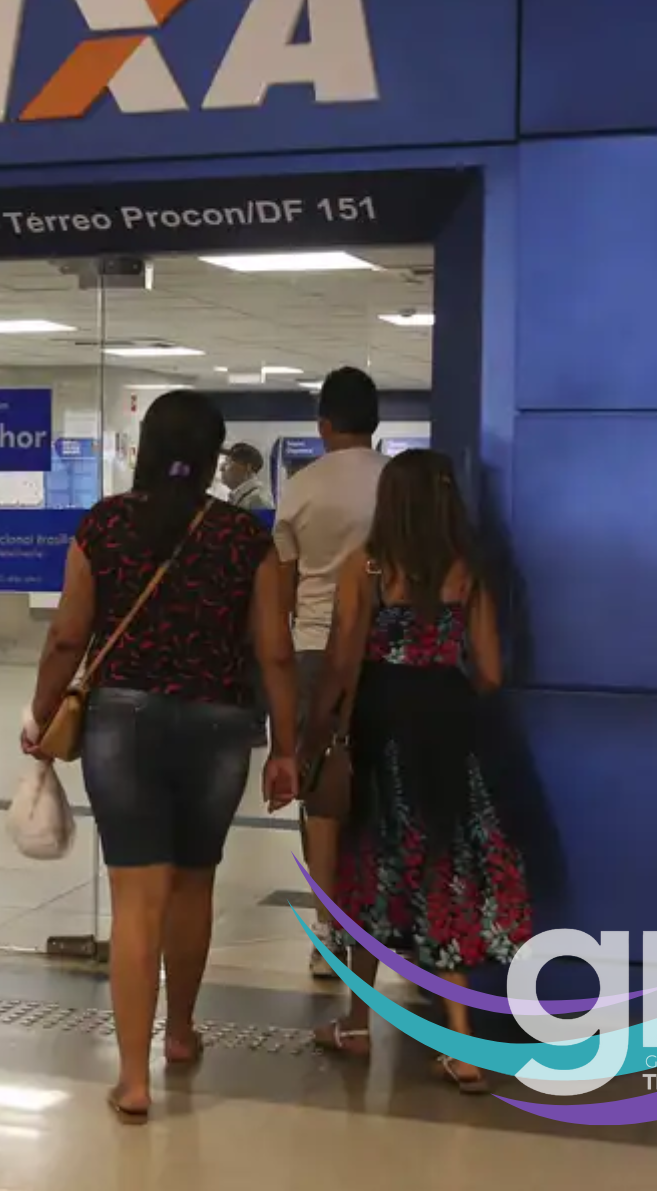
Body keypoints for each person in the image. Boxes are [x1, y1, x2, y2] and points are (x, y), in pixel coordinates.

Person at [24, 389, 300, 1124]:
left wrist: (42, 712)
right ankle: (179, 1033)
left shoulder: (105, 524)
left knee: (136, 899)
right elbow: (275, 651)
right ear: (214, 457)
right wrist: (286, 747)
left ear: (145, 447)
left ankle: (132, 1080)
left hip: (124, 723)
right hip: (220, 725)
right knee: (193, 884)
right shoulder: (244, 537)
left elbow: (68, 635)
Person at [304, 449, 527, 1093]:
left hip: (381, 724)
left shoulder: (368, 565)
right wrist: (443, 688)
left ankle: (355, 1025)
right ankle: (460, 1047)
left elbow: (343, 659)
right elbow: (491, 672)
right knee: (446, 872)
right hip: (446, 728)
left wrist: (318, 728)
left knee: (369, 870)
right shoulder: (467, 571)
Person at [272, 367, 387, 980]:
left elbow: (283, 589)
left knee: (321, 795)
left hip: (316, 650)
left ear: (323, 425)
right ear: (376, 423)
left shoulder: (301, 489)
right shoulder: (395, 483)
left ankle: (326, 935)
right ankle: (378, 925)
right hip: (384, 652)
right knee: (376, 794)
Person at [220, 443, 273, 511]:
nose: (221, 468)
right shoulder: (242, 496)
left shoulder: (259, 501)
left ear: (248, 468)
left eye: (228, 462)